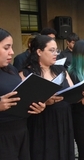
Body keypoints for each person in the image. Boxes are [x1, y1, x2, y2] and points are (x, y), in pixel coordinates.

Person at [19, 35, 75, 160]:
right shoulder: (26, 73)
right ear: (39, 51)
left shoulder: (61, 69)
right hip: (41, 122)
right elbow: (23, 103)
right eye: (51, 50)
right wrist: (45, 101)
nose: (56, 53)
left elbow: (71, 90)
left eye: (57, 50)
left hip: (63, 118)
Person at [0, 28, 45, 160]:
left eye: (12, 47)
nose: (12, 52)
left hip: (21, 131)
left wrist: (36, 105)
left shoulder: (11, 69)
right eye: (6, 47)